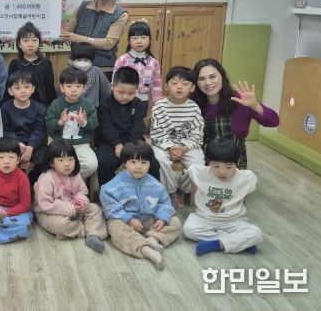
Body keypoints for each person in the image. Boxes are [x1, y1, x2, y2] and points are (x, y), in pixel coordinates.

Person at [100, 141, 181, 270]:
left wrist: (162, 218)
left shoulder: (155, 184)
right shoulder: (114, 185)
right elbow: (109, 204)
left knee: (174, 221)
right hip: (124, 221)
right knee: (116, 228)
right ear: (124, 163)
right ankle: (146, 250)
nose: (139, 167)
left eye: (144, 162)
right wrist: (128, 219)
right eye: (133, 162)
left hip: (148, 219)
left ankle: (153, 239)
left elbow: (164, 202)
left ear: (150, 164)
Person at [193, 58, 279, 169]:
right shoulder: (193, 104)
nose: (208, 83)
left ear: (222, 76)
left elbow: (274, 122)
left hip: (235, 165)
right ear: (196, 83)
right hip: (204, 164)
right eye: (201, 79)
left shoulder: (240, 99)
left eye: (212, 77)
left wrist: (255, 105)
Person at [184, 138, 263, 256]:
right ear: (209, 162)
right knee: (188, 230)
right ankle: (238, 242)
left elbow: (245, 195)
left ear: (236, 163)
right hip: (204, 218)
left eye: (229, 167)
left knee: (256, 233)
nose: (222, 172)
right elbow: (192, 175)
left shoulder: (246, 178)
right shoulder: (199, 172)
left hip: (234, 220)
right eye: (216, 166)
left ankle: (217, 244)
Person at [33, 140, 108, 253]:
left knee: (95, 208)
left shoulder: (75, 175)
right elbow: (46, 204)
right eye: (61, 160)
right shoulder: (46, 178)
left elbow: (82, 191)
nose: (67, 164)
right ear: (51, 163)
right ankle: (87, 229)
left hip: (74, 209)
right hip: (49, 213)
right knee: (59, 225)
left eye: (70, 159)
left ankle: (93, 235)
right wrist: (71, 209)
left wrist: (81, 201)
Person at [60, 0, 129, 80]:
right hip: (75, 67)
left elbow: (108, 43)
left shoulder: (120, 14)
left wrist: (78, 38)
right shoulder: (82, 7)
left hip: (103, 70)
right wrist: (51, 38)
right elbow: (67, 33)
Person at [150, 66, 205, 209]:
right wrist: (170, 147)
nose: (179, 87)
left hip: (187, 145)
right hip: (163, 144)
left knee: (198, 163)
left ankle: (184, 190)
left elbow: (197, 132)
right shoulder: (159, 106)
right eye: (174, 83)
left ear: (192, 88)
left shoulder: (194, 108)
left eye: (185, 84)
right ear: (166, 86)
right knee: (160, 161)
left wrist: (184, 147)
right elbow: (157, 132)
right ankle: (170, 191)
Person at [97, 67, 161, 186]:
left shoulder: (139, 104)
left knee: (153, 164)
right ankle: (108, 193)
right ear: (112, 86)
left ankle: (152, 192)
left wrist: (129, 147)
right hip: (110, 142)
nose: (125, 97)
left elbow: (138, 128)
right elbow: (106, 126)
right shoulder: (105, 103)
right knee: (105, 162)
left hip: (134, 141)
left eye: (131, 93)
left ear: (137, 90)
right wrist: (117, 144)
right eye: (121, 92)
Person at [46, 66, 99, 180]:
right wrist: (60, 122)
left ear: (84, 88)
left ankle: (70, 181)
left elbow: (94, 124)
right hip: (60, 145)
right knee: (50, 165)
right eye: (69, 86)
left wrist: (83, 122)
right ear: (62, 88)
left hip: (81, 145)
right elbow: (49, 124)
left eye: (78, 86)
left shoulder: (88, 104)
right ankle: (64, 183)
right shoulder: (56, 103)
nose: (73, 90)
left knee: (91, 165)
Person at [0, 71, 47, 177]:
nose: (23, 91)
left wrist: (30, 147)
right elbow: (6, 129)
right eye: (18, 88)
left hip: (34, 145)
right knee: (5, 157)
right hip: (13, 143)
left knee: (44, 158)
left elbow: (39, 130)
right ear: (10, 91)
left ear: (32, 89)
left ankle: (33, 183)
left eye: (26, 87)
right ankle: (13, 182)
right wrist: (16, 143)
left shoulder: (38, 108)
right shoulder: (5, 107)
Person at [3, 21, 57, 106]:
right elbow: (9, 87)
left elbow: (50, 89)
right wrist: (5, 106)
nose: (30, 44)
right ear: (19, 44)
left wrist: (53, 107)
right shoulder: (15, 64)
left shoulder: (45, 63)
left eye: (34, 40)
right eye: (26, 41)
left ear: (39, 43)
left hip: (41, 107)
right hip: (19, 106)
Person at [113, 20, 162, 111]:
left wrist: (157, 104)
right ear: (129, 40)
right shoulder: (122, 60)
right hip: (124, 99)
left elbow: (156, 85)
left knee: (139, 119)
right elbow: (114, 81)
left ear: (150, 40)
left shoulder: (154, 62)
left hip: (143, 101)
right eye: (135, 38)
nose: (139, 41)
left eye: (143, 37)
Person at [69, 42, 111, 109]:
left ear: (92, 60)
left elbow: (106, 90)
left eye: (86, 60)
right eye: (79, 60)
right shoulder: (68, 71)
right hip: (71, 107)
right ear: (73, 60)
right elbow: (61, 91)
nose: (82, 62)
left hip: (92, 109)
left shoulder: (96, 71)